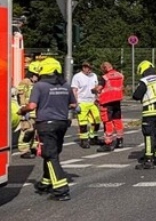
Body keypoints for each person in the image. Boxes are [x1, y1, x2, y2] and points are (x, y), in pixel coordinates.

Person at [19, 56, 76, 201]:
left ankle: (61, 190)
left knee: (50, 156)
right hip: (62, 123)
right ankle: (45, 183)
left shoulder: (40, 86)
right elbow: (73, 105)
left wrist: (22, 110)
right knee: (51, 153)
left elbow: (32, 106)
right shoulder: (66, 86)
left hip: (46, 124)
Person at [70, 62, 102, 148]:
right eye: (88, 68)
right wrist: (76, 103)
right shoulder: (77, 77)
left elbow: (96, 87)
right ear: (83, 67)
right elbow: (74, 90)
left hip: (92, 101)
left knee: (97, 120)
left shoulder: (93, 75)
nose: (89, 70)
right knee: (83, 123)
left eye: (91, 68)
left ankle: (93, 138)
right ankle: (83, 140)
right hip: (82, 102)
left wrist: (98, 96)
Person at [96, 61, 126, 152]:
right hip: (117, 100)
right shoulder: (120, 75)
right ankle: (119, 141)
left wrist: (94, 90)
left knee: (107, 121)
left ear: (105, 68)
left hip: (107, 102)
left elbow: (99, 88)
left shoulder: (105, 77)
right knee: (117, 120)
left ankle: (108, 143)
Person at [14, 61, 40, 158]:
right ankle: (24, 150)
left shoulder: (37, 83)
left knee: (36, 131)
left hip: (37, 111)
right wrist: (23, 109)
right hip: (27, 111)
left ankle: (34, 147)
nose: (37, 77)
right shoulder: (24, 82)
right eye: (36, 75)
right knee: (27, 130)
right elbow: (21, 96)